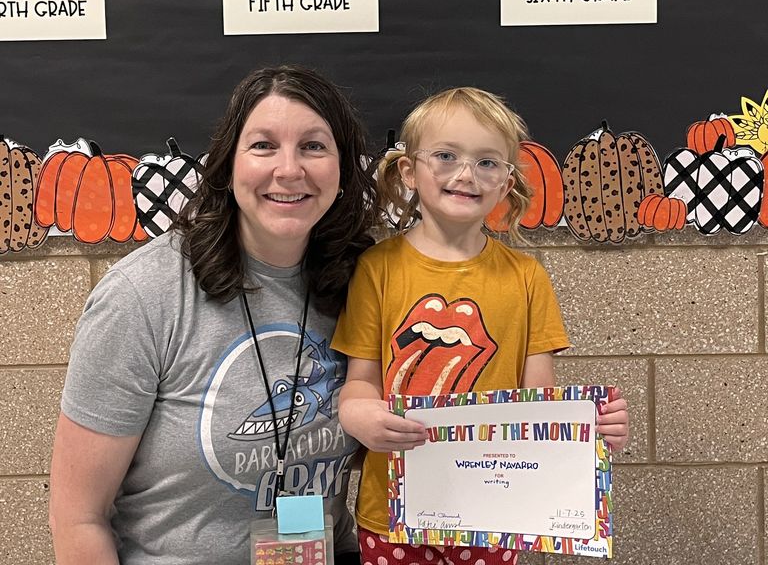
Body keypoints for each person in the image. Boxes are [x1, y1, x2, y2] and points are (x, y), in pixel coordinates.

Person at [49, 65, 376, 565]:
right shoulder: (144, 295)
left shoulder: (364, 281)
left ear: (342, 167)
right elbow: (78, 518)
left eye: (313, 146)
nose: (289, 170)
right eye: (263, 145)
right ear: (227, 165)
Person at [332, 86, 629, 565]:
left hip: (494, 513)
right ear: (409, 170)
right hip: (391, 511)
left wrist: (593, 429)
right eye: (446, 156)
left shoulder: (527, 278)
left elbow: (541, 405)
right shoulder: (376, 269)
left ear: (507, 182)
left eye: (488, 162)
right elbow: (359, 383)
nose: (467, 174)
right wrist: (359, 417)